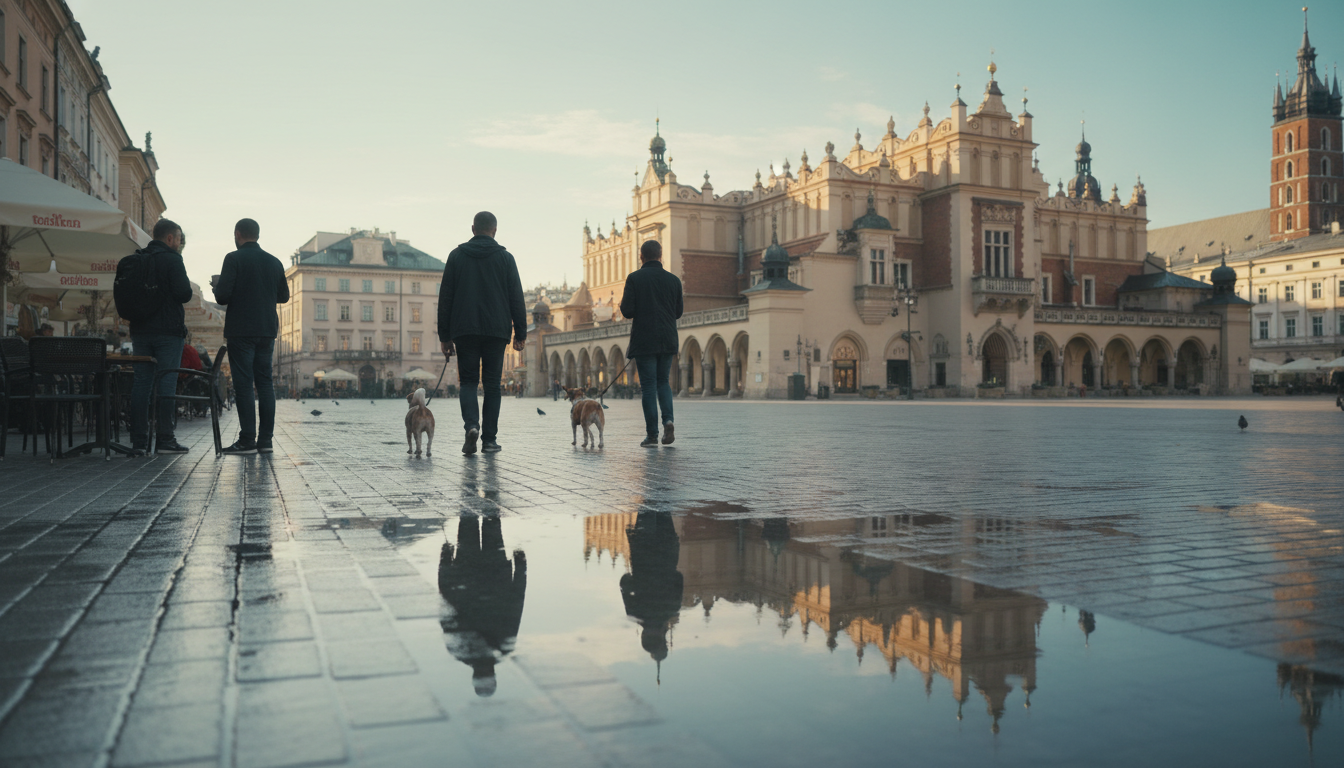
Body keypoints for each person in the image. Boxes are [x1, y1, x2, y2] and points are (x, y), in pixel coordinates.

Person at [438, 211, 527, 455]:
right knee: (492, 386)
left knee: (467, 382)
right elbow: (516, 297)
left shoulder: (456, 256)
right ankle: (489, 440)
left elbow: (445, 299)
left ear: (473, 229)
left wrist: (444, 336)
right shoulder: (506, 258)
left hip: (464, 330)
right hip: (496, 330)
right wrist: (520, 332)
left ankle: (471, 426)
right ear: (494, 231)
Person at [212, 218, 289, 455]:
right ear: (257, 234)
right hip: (266, 329)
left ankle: (247, 440)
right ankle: (265, 441)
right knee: (265, 384)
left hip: (241, 330)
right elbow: (284, 296)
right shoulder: (274, 261)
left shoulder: (233, 259)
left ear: (237, 234)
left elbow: (223, 296)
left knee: (244, 384)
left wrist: (217, 287)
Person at [128, 218, 194, 454]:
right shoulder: (173, 259)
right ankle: (165, 439)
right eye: (178, 238)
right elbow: (185, 293)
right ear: (169, 238)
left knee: (141, 384)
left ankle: (138, 441)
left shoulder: (138, 258)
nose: (178, 242)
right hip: (168, 331)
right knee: (166, 383)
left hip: (140, 331)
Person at [619, 240, 683, 447]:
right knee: (663, 382)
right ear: (660, 255)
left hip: (645, 339)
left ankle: (652, 435)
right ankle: (669, 420)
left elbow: (627, 311)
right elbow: (678, 312)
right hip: (668, 338)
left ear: (641, 257)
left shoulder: (634, 278)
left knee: (648, 387)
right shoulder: (673, 280)